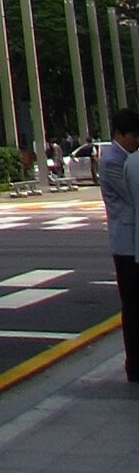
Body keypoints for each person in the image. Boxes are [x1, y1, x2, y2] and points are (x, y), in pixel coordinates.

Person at [99, 105, 139, 382]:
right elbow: (131, 193)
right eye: (133, 136)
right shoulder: (113, 160)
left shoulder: (126, 158)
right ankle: (133, 363)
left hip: (132, 239)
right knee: (132, 305)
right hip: (125, 242)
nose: (136, 140)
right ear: (119, 134)